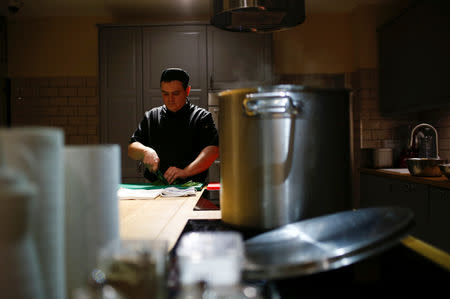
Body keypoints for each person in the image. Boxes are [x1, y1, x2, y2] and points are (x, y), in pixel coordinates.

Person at [128, 68, 219, 184]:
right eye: (165, 94)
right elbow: (131, 148)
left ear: (187, 91)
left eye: (175, 93)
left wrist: (185, 172)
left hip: (191, 188)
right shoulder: (151, 116)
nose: (170, 99)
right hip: (156, 188)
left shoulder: (202, 117)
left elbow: (213, 150)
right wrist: (145, 151)